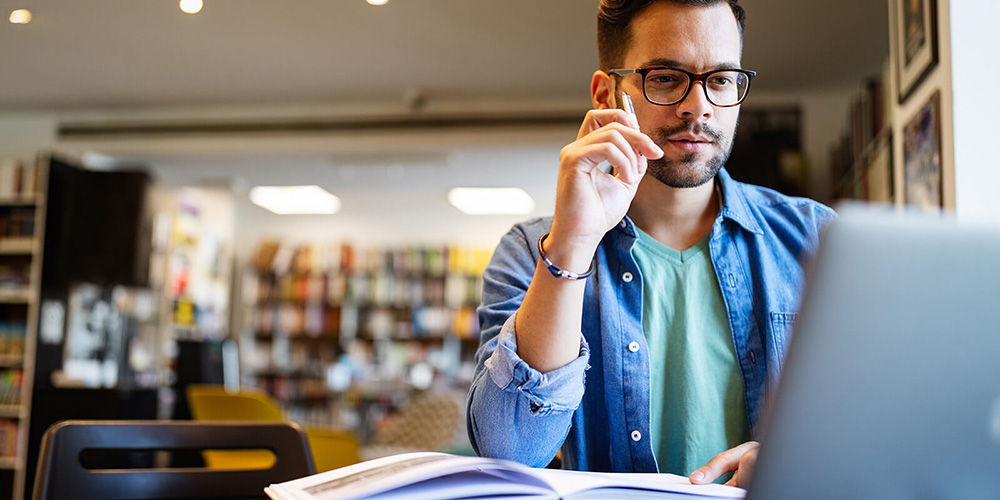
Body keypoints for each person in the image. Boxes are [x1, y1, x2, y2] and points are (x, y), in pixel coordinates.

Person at [466, 0, 835, 487]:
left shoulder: (816, 240)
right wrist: (574, 242)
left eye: (721, 79)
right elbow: (511, 451)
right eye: (665, 77)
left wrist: (797, 458)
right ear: (607, 95)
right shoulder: (532, 250)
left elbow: (880, 422)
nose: (698, 106)